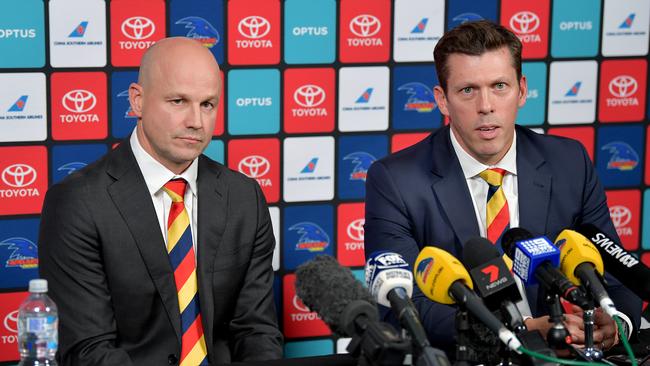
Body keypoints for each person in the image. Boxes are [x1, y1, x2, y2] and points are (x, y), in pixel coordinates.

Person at [364, 21, 641, 356]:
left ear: (522, 90)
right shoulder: (396, 180)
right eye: (467, 90)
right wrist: (518, 334)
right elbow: (404, 308)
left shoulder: (569, 162)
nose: (486, 106)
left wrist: (615, 323)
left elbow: (616, 272)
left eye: (499, 86)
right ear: (442, 100)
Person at [38, 37, 283, 365]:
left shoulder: (244, 198)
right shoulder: (78, 203)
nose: (196, 121)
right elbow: (88, 349)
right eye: (179, 101)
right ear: (137, 101)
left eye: (207, 104)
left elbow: (256, 332)